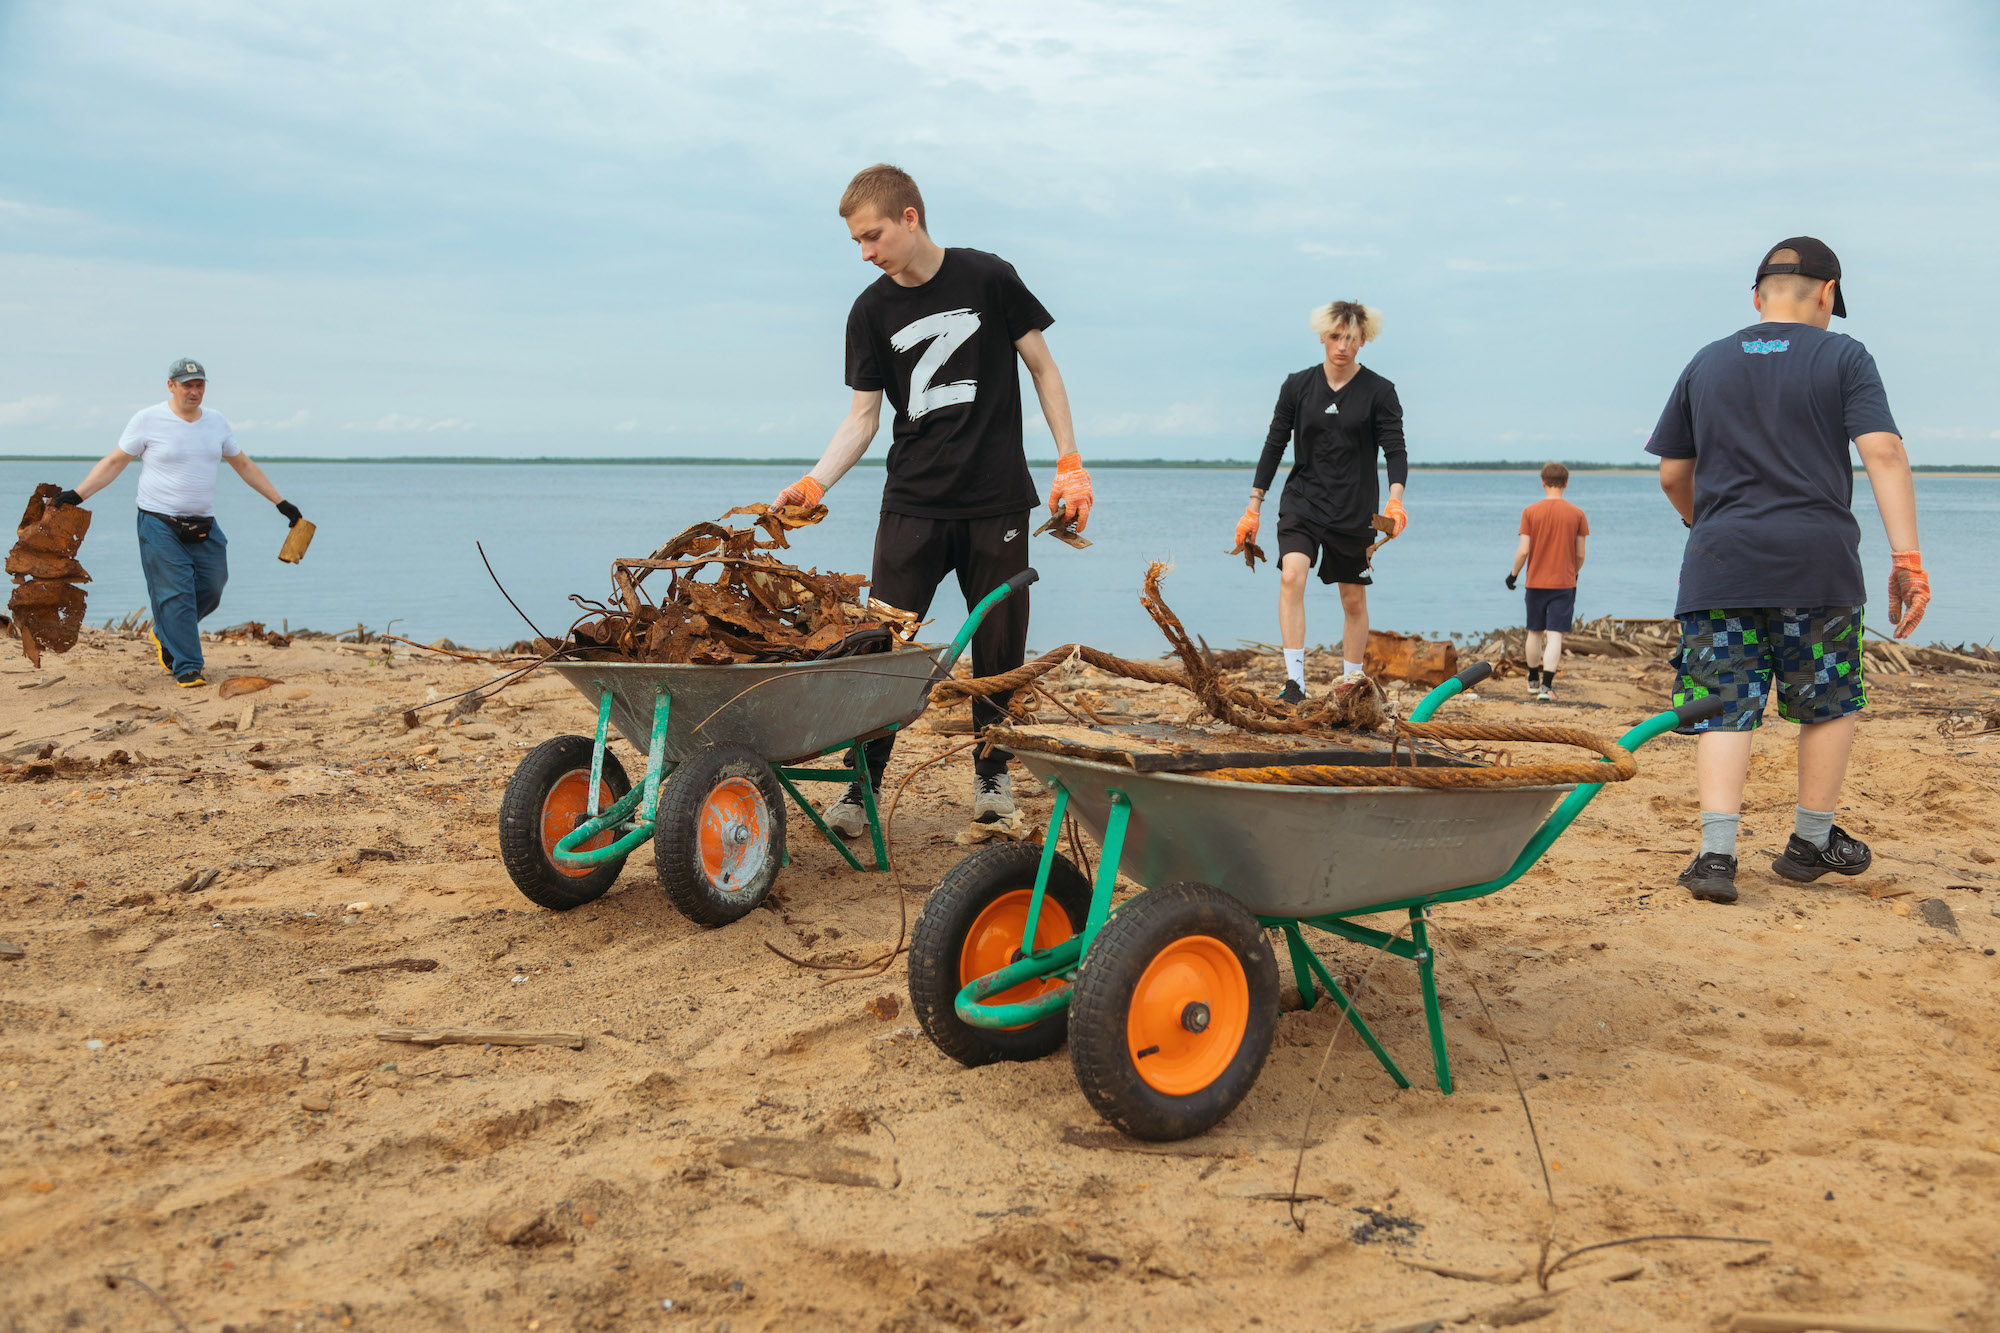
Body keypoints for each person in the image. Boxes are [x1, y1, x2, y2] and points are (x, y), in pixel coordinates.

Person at [773, 164, 1091, 831]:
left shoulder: (989, 277)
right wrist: (814, 481)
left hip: (997, 503)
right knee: (883, 649)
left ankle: (992, 777)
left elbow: (1043, 368)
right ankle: (861, 789)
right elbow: (861, 418)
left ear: (909, 217)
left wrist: (1070, 462)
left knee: (999, 651)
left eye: (873, 235)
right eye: (858, 242)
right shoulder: (870, 310)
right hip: (912, 506)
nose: (866, 252)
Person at [1645, 237, 1928, 906]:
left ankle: (1716, 855)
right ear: (1827, 293)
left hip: (1719, 564)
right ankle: (1809, 841)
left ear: (1757, 296)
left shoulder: (1707, 362)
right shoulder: (1843, 355)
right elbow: (1883, 451)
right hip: (1817, 563)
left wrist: (1703, 523)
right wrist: (1907, 558)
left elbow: (1672, 474)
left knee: (1723, 703)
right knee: (1827, 702)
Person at [56, 358, 307, 688]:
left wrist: (281, 503)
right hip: (158, 523)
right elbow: (116, 462)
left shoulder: (216, 422)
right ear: (171, 385)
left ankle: (164, 631)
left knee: (212, 587)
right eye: (187, 384)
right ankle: (187, 666)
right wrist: (78, 495)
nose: (194, 390)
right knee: (176, 594)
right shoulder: (148, 419)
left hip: (204, 524)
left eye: (199, 384)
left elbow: (243, 465)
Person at [1234, 300, 1407, 703]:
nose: (1342, 346)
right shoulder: (1297, 386)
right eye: (1335, 337)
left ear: (1364, 340)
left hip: (1355, 508)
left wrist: (1395, 502)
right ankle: (1295, 683)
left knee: (1352, 598)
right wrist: (1253, 506)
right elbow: (1274, 445)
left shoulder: (1380, 392)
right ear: (1322, 337)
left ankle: (1351, 684)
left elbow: (1395, 451)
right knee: (1292, 574)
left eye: (1351, 338)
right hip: (1303, 501)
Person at [1505, 462, 1589, 702]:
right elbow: (1581, 554)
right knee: (1555, 635)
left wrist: (1513, 575)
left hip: (1535, 582)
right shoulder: (1577, 513)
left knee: (1534, 631)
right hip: (1564, 582)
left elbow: (1523, 551)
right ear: (1566, 483)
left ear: (1542, 482)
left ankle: (1532, 680)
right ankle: (1546, 686)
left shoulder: (1530, 512)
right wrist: (1573, 572)